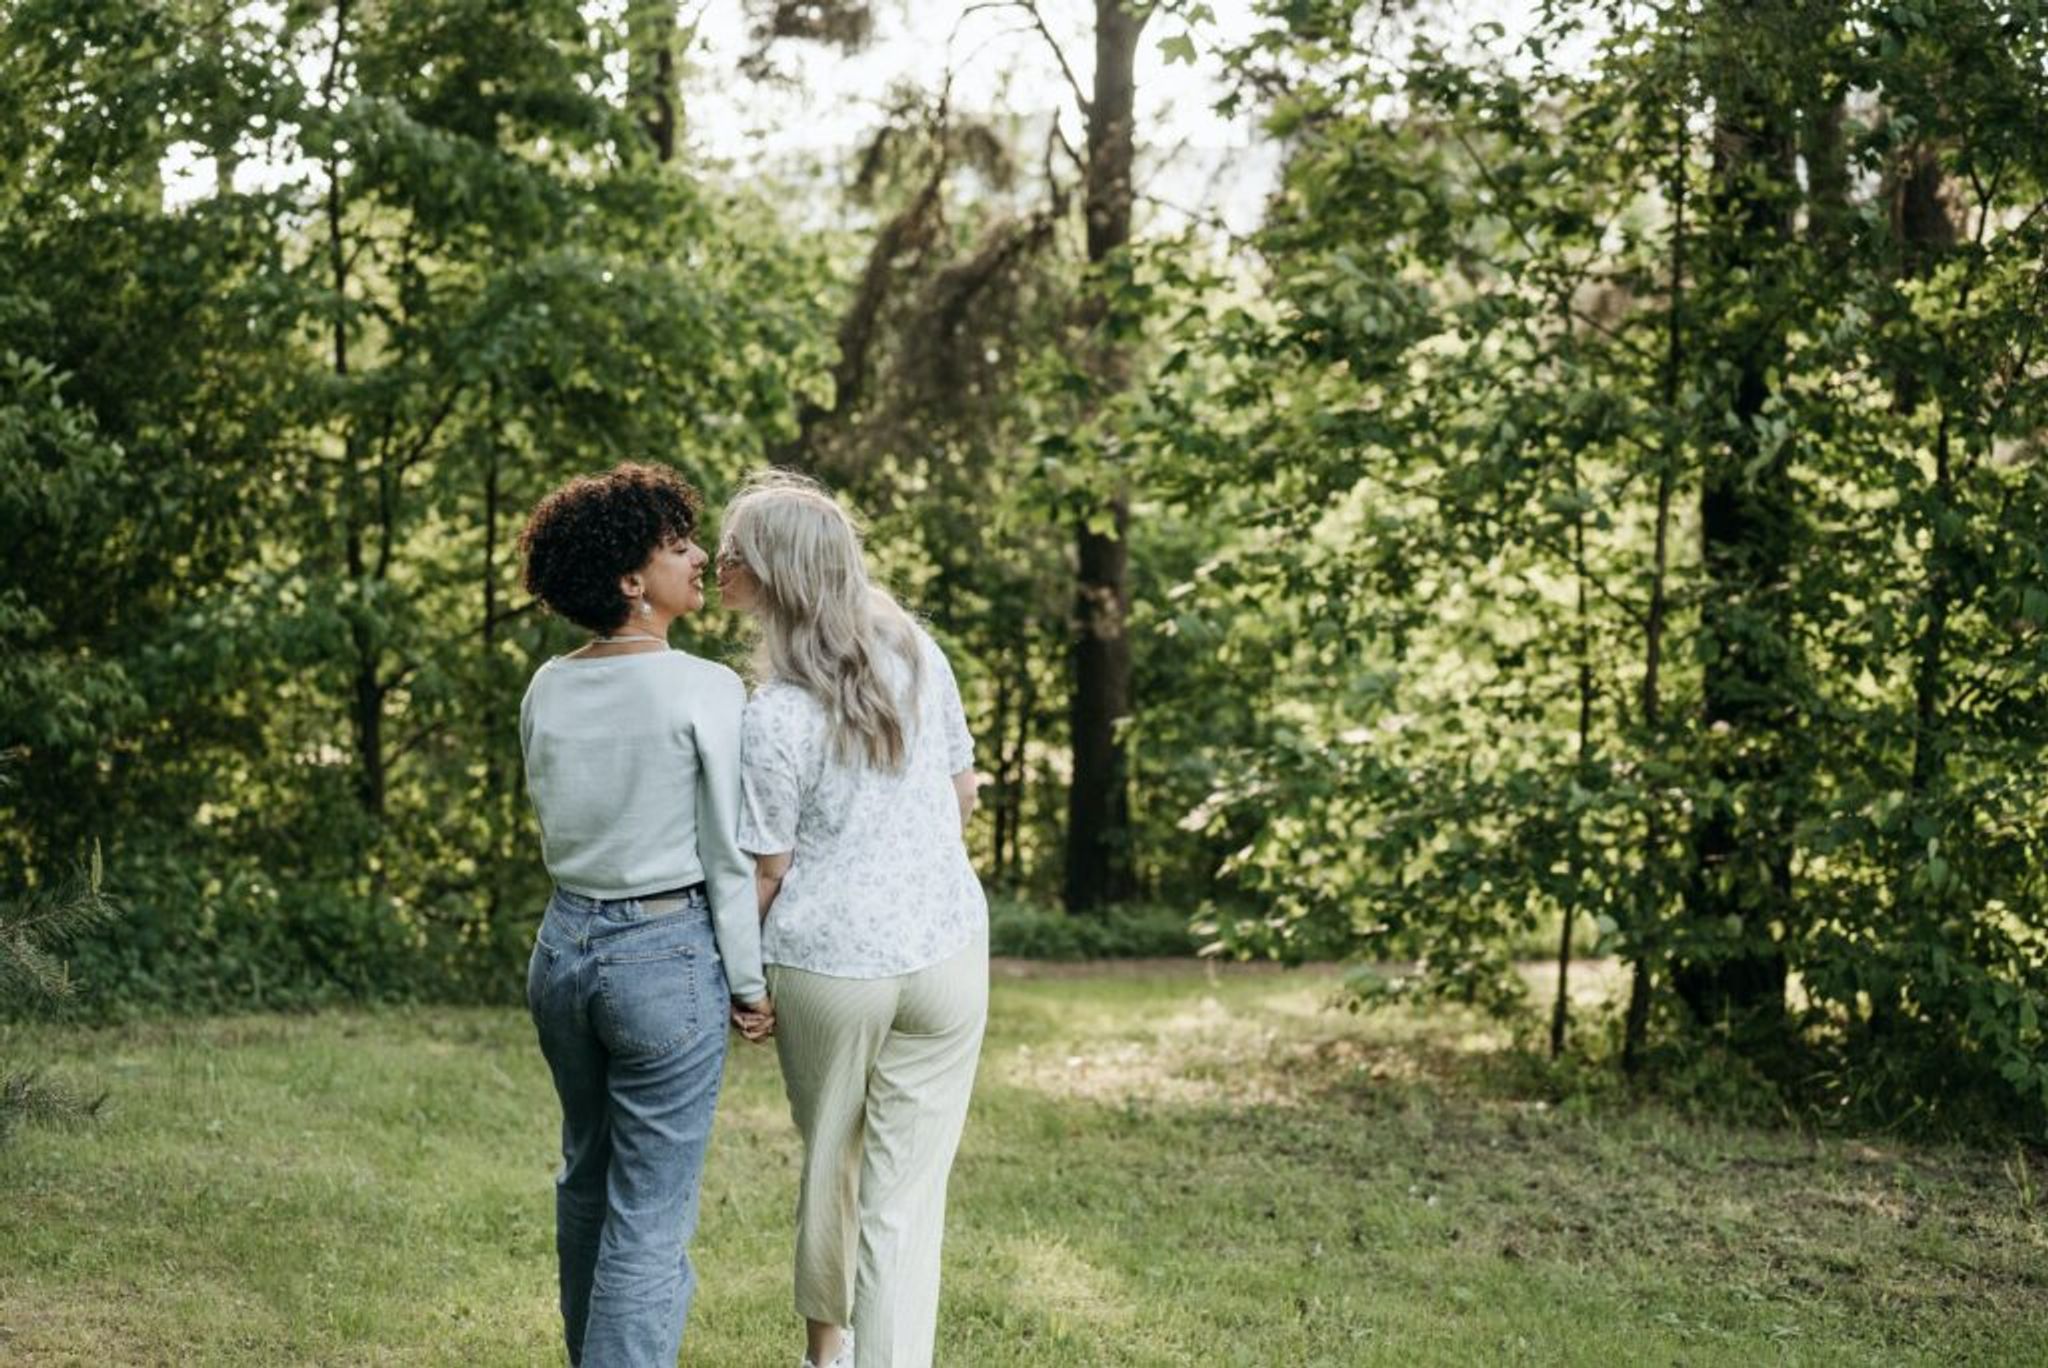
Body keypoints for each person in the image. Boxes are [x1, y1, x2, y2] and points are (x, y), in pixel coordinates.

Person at [716, 471, 988, 1368]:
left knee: (833, 1162)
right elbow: (964, 797)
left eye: (735, 554)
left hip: (829, 969)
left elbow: (767, 872)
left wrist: (741, 985)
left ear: (776, 577)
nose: (719, 566)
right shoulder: (919, 653)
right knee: (904, 1198)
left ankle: (825, 1358)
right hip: (947, 952)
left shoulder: (775, 713)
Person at [516, 462, 773, 1367]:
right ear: (632, 581)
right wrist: (749, 983)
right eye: (677, 547)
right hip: (663, 958)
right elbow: (727, 853)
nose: (701, 557)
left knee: (586, 1172)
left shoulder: (547, 685)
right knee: (649, 1212)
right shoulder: (703, 688)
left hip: (562, 953)